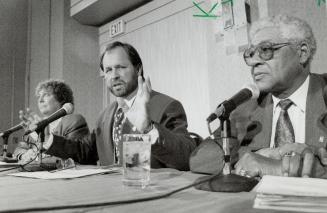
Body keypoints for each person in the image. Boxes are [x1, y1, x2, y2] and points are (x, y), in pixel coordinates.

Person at [190, 14, 327, 178]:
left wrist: (279, 168)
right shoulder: (247, 106)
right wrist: (255, 156)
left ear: (302, 53)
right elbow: (199, 159)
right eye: (251, 53)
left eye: (266, 50)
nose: (255, 61)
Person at [43, 41, 196, 170]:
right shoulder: (105, 115)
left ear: (138, 69)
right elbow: (85, 152)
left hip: (151, 196)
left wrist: (148, 128)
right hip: (112, 195)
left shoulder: (167, 106)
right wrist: (48, 139)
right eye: (108, 70)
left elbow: (186, 157)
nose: (114, 75)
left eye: (120, 67)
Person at [13, 79, 90, 165]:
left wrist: (36, 156)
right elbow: (18, 149)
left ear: (61, 98)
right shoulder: (36, 123)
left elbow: (75, 156)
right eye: (39, 96)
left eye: (46, 95)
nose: (40, 100)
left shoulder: (73, 121)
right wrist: (24, 155)